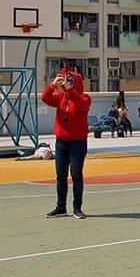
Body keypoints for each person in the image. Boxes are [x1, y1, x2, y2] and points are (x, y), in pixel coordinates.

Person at [40, 68, 92, 219]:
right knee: (60, 175)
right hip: (61, 142)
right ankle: (61, 207)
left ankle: (77, 208)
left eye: (69, 80)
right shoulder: (61, 97)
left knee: (76, 175)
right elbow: (45, 98)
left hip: (78, 143)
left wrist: (70, 90)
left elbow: (81, 105)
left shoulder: (84, 98)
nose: (66, 83)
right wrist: (53, 85)